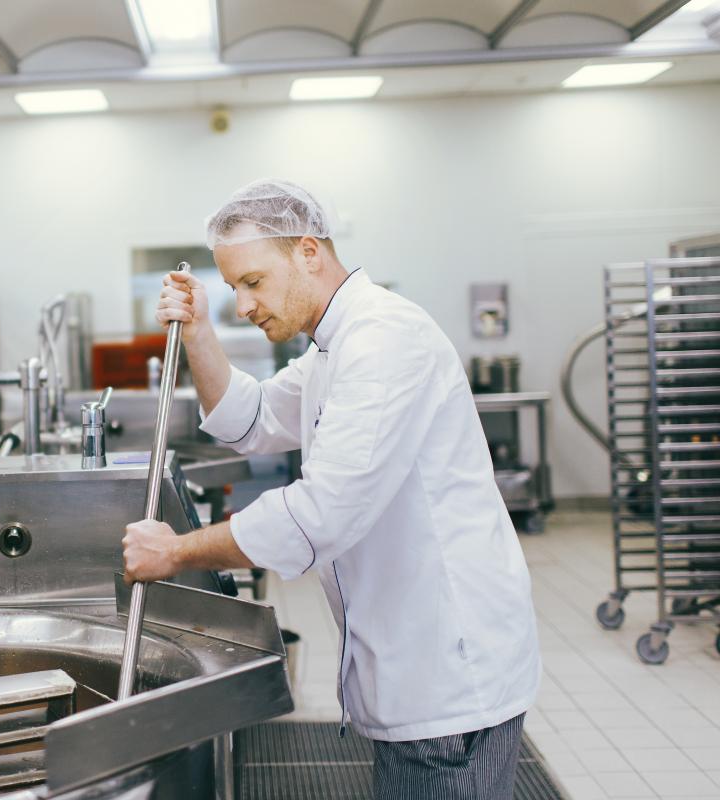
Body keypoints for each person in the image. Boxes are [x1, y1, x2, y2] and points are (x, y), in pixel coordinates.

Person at [122, 179, 540, 799]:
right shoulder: (332, 348)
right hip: (410, 663)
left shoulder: (384, 340)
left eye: (253, 282)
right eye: (232, 288)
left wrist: (177, 552)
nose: (244, 304)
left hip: (448, 676)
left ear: (309, 252)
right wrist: (200, 332)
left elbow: (320, 515)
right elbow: (252, 418)